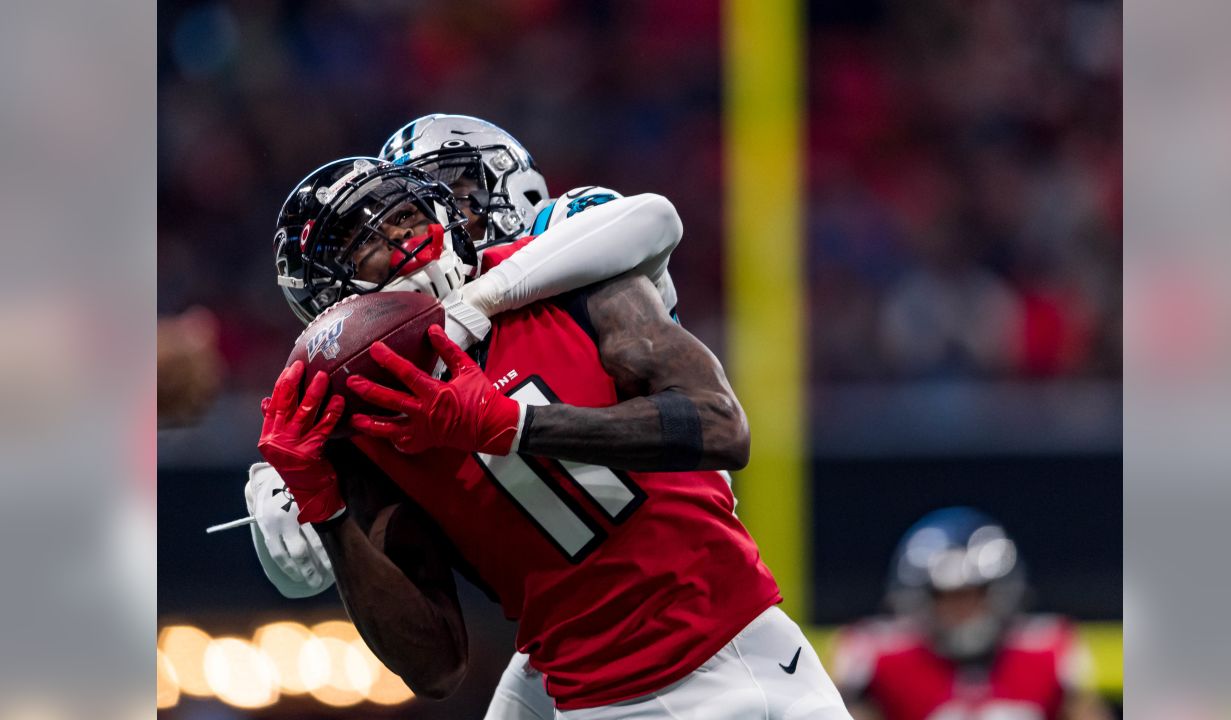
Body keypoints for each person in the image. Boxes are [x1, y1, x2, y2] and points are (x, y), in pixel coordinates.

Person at [256, 158, 851, 718]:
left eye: (404, 216)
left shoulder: (560, 272)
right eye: (366, 243)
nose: (402, 243)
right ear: (326, 297)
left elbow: (720, 427)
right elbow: (435, 668)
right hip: (579, 697)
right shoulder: (366, 423)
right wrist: (325, 510)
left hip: (735, 664)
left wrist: (513, 426)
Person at [246, 114, 686, 718]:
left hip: (669, 559)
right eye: (375, 229)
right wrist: (280, 481)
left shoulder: (561, 234)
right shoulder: (411, 333)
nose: (436, 220)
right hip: (569, 609)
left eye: (448, 194)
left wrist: (480, 299)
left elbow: (653, 217)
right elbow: (305, 579)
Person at [827, 507, 1112, 720]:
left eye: (971, 596)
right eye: (946, 598)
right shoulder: (880, 658)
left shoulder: (1046, 651)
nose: (961, 611)